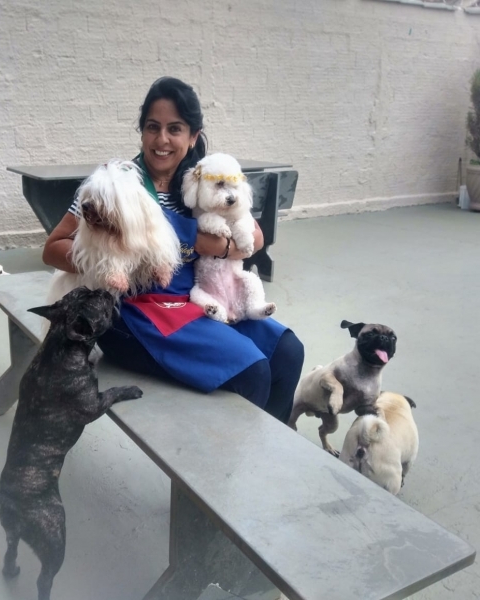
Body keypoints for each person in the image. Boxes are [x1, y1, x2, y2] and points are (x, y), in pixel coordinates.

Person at [43, 76, 304, 424]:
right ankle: (234, 455)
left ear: (193, 136)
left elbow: (254, 239)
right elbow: (52, 248)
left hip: (196, 300)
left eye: (175, 129)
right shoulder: (115, 184)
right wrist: (111, 259)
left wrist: (218, 246)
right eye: (153, 127)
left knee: (288, 352)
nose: (162, 139)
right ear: (142, 132)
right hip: (134, 312)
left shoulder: (201, 180)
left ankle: (273, 443)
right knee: (252, 371)